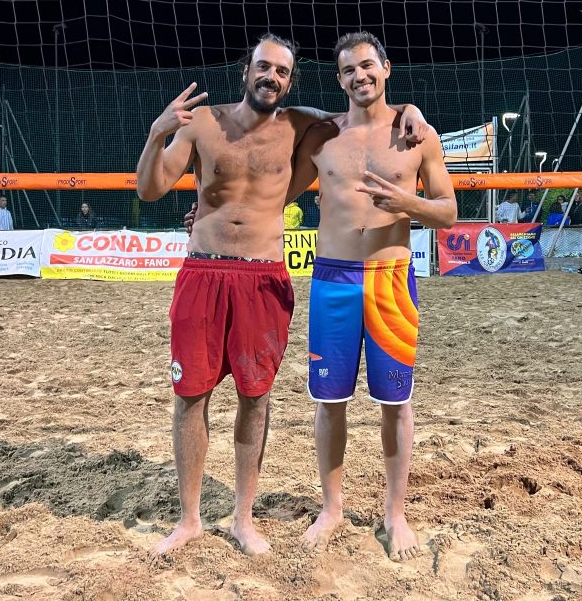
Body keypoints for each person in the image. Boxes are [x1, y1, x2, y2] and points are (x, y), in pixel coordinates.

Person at [136, 33, 429, 559]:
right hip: (205, 271)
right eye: (264, 67)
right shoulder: (203, 122)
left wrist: (410, 108)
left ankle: (244, 518)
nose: (271, 77)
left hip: (268, 275)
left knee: (257, 397)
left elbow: (360, 111)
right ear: (245, 70)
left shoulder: (301, 126)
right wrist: (157, 132)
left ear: (290, 82)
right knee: (190, 397)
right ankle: (189, 520)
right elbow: (149, 188)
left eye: (282, 72)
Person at [286, 32, 457, 561]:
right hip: (332, 280)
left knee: (396, 403)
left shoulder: (417, 135)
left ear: (386, 67)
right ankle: (332, 508)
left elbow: (448, 212)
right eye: (348, 70)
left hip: (391, 279)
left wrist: (407, 202)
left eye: (367, 66)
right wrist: (212, 212)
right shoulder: (323, 138)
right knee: (329, 401)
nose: (359, 76)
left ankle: (395, 514)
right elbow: (275, 194)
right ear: (339, 80)